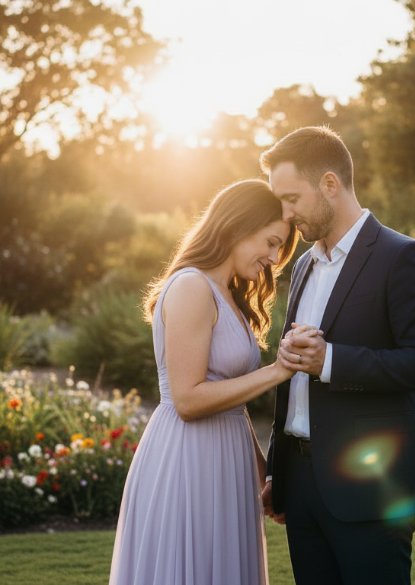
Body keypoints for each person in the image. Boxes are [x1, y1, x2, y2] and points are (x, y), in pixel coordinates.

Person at [259, 126, 415, 584]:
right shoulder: (304, 265)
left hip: (371, 487)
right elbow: (293, 376)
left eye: (291, 199)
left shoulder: (402, 256)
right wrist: (277, 470)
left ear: (329, 184)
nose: (285, 217)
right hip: (302, 487)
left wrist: (330, 361)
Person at [109, 179, 299, 585]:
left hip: (227, 459)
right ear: (236, 227)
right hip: (187, 461)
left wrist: (263, 474)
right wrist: (279, 370)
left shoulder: (228, 294)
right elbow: (188, 400)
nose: (273, 257)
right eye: (269, 242)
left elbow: (234, 403)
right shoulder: (193, 286)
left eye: (278, 247)